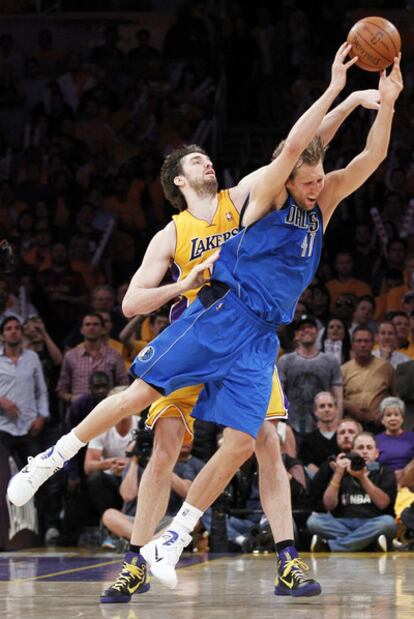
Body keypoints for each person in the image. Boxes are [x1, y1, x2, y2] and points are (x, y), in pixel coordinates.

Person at [7, 45, 403, 596]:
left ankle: (230, 548)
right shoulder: (176, 231)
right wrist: (186, 284)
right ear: (178, 179)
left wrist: (376, 102)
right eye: (196, 161)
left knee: (257, 438)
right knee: (159, 432)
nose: (208, 162)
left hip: (257, 333)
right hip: (209, 317)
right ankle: (111, 528)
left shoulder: (245, 196)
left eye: (208, 159)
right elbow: (296, 151)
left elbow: (313, 149)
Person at [308, 431, 397, 552]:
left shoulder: (384, 472)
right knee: (314, 521)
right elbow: (329, 505)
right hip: (342, 522)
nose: (365, 451)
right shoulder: (341, 471)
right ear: (352, 452)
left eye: (369, 448)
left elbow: (383, 503)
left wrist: (362, 477)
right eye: (360, 448)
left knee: (388, 522)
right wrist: (338, 473)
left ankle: (331, 546)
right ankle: (368, 543)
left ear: (376, 453)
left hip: (372, 522)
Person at [277, 315, 343, 436]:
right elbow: (279, 395)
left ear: (317, 331)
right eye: (302, 328)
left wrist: (336, 422)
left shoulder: (330, 361)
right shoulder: (285, 361)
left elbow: (338, 396)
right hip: (292, 424)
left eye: (310, 327)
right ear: (296, 333)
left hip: (323, 424)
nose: (306, 330)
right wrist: (281, 423)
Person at [341, 326, 396, 432]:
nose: (363, 345)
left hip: (379, 425)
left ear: (373, 344)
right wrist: (350, 407)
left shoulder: (386, 368)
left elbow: (396, 396)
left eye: (367, 341)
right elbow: (338, 399)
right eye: (359, 341)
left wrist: (387, 412)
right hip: (352, 425)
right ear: (352, 345)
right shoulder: (343, 370)